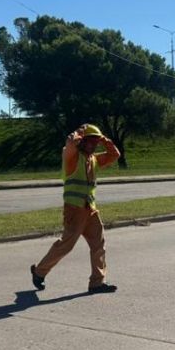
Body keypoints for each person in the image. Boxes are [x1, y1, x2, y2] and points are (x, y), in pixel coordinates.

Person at [30, 124, 121, 293]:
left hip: (90, 209)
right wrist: (79, 133)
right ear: (82, 141)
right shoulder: (72, 157)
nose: (93, 145)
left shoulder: (93, 159)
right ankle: (39, 271)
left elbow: (115, 155)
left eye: (96, 142)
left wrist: (104, 140)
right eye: (90, 141)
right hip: (74, 209)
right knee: (67, 245)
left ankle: (97, 283)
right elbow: (70, 144)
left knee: (98, 245)